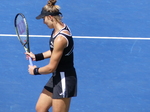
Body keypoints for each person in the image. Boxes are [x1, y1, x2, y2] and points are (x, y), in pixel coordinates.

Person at [26, 0, 77, 112]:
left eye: (43, 19)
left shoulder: (60, 39)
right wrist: (37, 56)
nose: (43, 22)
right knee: (41, 108)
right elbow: (54, 51)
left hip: (64, 78)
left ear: (50, 17)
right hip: (57, 76)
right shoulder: (59, 28)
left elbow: (51, 67)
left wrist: (35, 71)